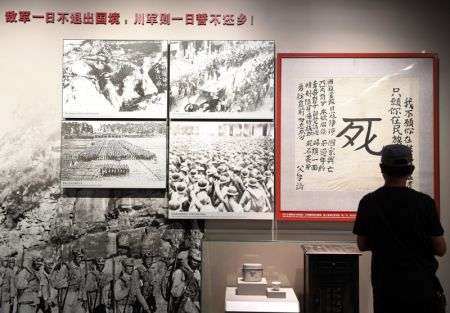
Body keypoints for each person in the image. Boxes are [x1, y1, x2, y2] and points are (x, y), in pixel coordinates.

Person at [353, 144, 447, 313]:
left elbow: (361, 244)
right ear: (411, 169)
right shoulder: (425, 202)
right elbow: (441, 249)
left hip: (386, 289)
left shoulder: (369, 202)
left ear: (382, 168)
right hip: (422, 288)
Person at [169, 249, 201, 313]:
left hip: (193, 301)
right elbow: (175, 293)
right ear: (189, 258)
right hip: (181, 304)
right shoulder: (179, 272)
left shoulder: (197, 273)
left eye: (198, 261)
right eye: (193, 259)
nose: (196, 262)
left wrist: (199, 281)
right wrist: (185, 283)